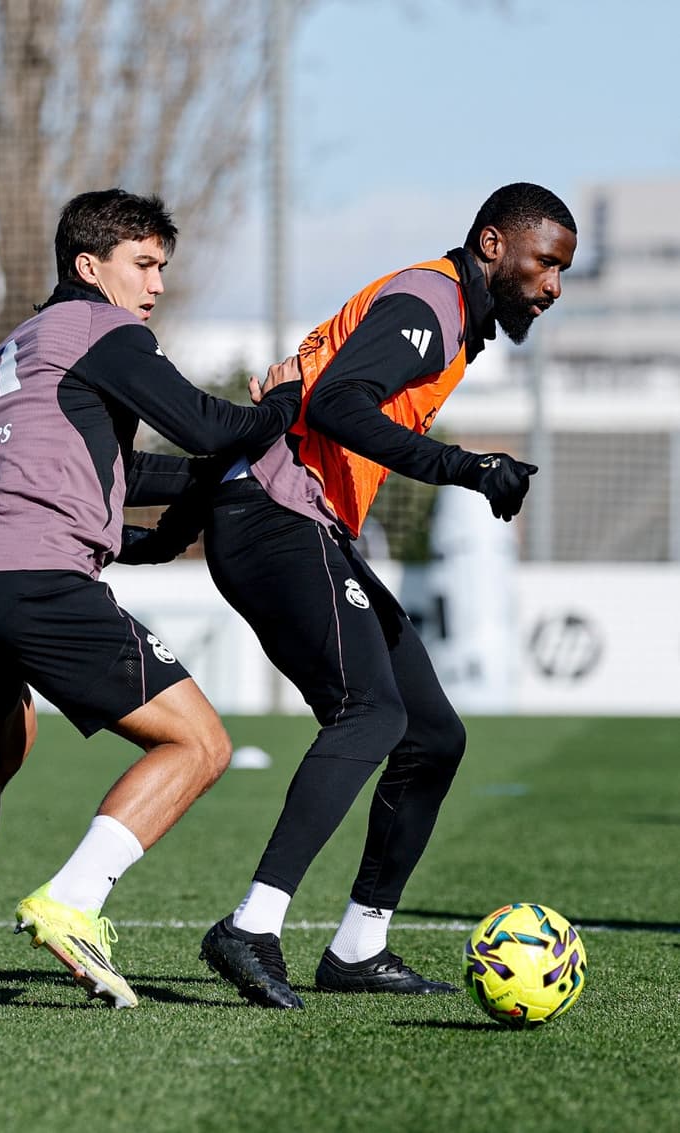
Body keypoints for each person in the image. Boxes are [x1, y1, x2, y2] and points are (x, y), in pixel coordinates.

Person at [0, 188, 301, 1003]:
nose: (155, 285)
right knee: (200, 744)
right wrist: (284, 403)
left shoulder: (26, 343)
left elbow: (112, 476)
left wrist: (197, 495)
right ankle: (72, 901)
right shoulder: (103, 329)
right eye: (143, 264)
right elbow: (210, 426)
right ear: (90, 266)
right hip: (27, 580)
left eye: (162, 268)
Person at [195, 182, 578, 1008]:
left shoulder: (452, 320)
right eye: (545, 263)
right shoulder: (431, 300)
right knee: (371, 714)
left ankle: (359, 946)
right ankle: (252, 925)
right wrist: (468, 467)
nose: (553, 285)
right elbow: (336, 405)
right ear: (491, 246)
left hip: (304, 521)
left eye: (563, 271)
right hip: (273, 516)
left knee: (432, 735)